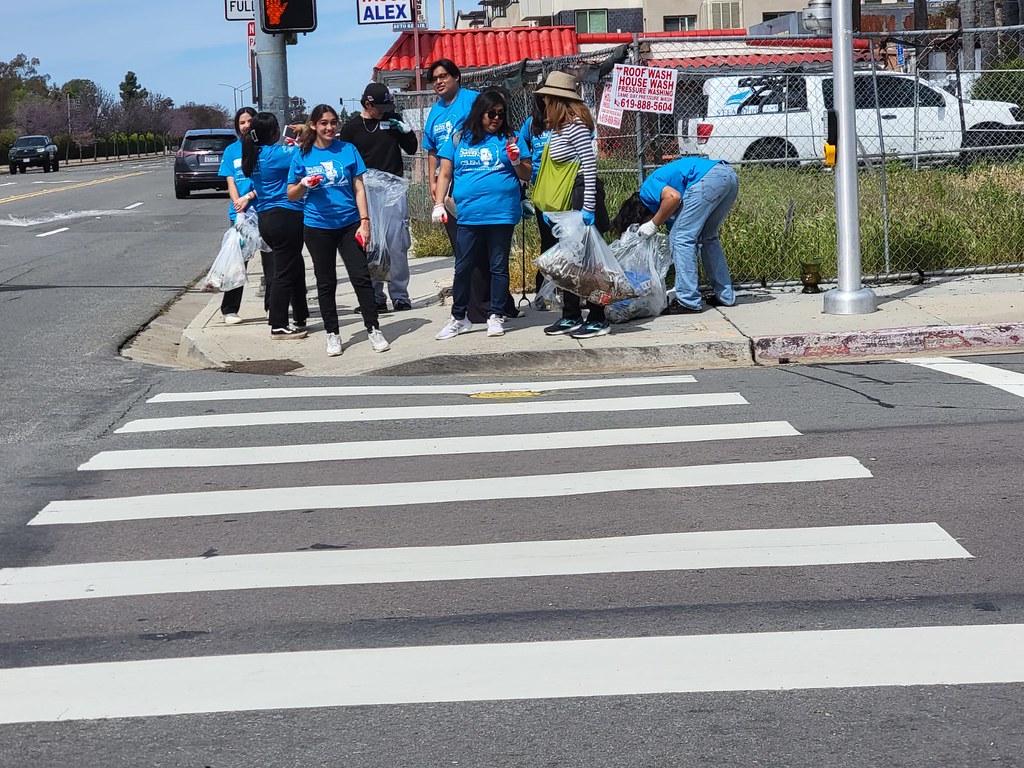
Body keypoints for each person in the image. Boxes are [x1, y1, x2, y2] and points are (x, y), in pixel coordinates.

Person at [287, 103, 390, 356]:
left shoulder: (348, 150)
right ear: (313, 125)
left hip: (349, 224)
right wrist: (303, 184)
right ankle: (332, 333)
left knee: (360, 277)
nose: (330, 127)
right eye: (324, 123)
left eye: (333, 122)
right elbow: (291, 195)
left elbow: (359, 188)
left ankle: (373, 328)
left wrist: (365, 222)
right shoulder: (303, 154)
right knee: (326, 281)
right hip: (317, 226)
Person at [431, 88, 531, 340]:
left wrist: (518, 161)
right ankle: (458, 317)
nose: (496, 118)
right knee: (463, 267)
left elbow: (528, 174)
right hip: (468, 215)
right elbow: (444, 173)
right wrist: (439, 204)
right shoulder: (459, 138)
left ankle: (496, 315)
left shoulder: (511, 138)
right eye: (491, 113)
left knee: (498, 266)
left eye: (500, 114)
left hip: (501, 214)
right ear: (479, 113)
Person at [531, 71, 608, 339]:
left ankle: (598, 317)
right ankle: (571, 314)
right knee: (570, 261)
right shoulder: (560, 127)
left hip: (579, 197)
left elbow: (589, 165)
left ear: (556, 99)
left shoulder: (575, 126)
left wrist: (588, 208)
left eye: (547, 99)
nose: (543, 104)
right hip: (567, 201)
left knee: (588, 263)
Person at [611, 157, 738, 313]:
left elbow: (673, 197)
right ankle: (724, 296)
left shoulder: (646, 190)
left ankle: (688, 300)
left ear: (638, 215)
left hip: (709, 178)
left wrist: (653, 224)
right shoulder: (666, 211)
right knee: (707, 238)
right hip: (728, 176)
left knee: (681, 238)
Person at [339, 82, 418, 314]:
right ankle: (374, 297)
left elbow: (411, 148)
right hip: (365, 190)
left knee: (396, 243)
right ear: (367, 104)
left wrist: (406, 131)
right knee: (371, 244)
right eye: (379, 107)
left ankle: (400, 296)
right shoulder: (352, 127)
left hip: (393, 190)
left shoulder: (393, 120)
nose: (384, 111)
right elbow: (346, 160)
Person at [240, 111, 309, 339]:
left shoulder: (255, 155)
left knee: (294, 264)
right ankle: (278, 323)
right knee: (285, 270)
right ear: (273, 132)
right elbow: (305, 151)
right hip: (286, 215)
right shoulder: (276, 153)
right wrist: (304, 128)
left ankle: (300, 315)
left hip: (266, 216)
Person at [422, 58, 480, 254]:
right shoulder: (435, 111)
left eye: (443, 76)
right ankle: (466, 280)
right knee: (458, 240)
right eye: (434, 79)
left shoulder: (472, 100)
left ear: (456, 76)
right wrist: (432, 182)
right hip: (446, 181)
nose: (438, 82)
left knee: (477, 237)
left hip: (471, 174)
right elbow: (431, 149)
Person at [217, 106, 260, 325]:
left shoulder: (264, 148)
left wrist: (249, 197)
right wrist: (238, 206)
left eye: (250, 121)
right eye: (242, 122)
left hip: (263, 210)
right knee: (237, 261)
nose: (246, 126)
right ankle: (230, 310)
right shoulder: (231, 151)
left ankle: (275, 305)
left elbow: (270, 182)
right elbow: (231, 181)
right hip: (240, 214)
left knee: (272, 261)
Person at [519, 92, 551, 306]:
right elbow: (522, 149)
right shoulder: (531, 124)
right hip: (541, 183)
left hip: (563, 183)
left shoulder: (564, 121)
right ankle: (544, 288)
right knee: (548, 239)